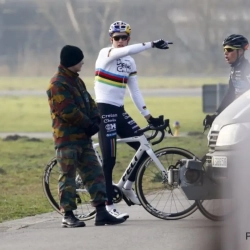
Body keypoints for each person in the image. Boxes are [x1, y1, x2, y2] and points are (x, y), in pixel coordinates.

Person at [94, 20, 172, 218]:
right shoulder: (106, 53)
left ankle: (127, 187)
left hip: (119, 110)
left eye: (124, 38)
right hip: (104, 109)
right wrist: (152, 44)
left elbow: (134, 91)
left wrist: (149, 117)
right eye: (117, 38)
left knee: (144, 147)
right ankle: (108, 204)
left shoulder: (130, 61)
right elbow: (125, 51)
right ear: (111, 39)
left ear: (129, 38)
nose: (121, 41)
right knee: (110, 159)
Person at [46, 45, 126, 227]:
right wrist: (89, 124)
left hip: (83, 139)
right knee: (68, 177)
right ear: (72, 61)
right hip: (67, 140)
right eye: (80, 59)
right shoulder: (57, 84)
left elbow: (89, 101)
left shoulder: (76, 81)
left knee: (95, 174)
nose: (83, 62)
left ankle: (101, 212)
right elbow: (68, 111)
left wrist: (96, 117)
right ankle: (68, 215)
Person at [203, 34, 250, 128]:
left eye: (229, 50)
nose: (225, 53)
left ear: (241, 51)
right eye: (224, 50)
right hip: (241, 114)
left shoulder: (249, 71)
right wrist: (215, 115)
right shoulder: (234, 70)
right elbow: (230, 94)